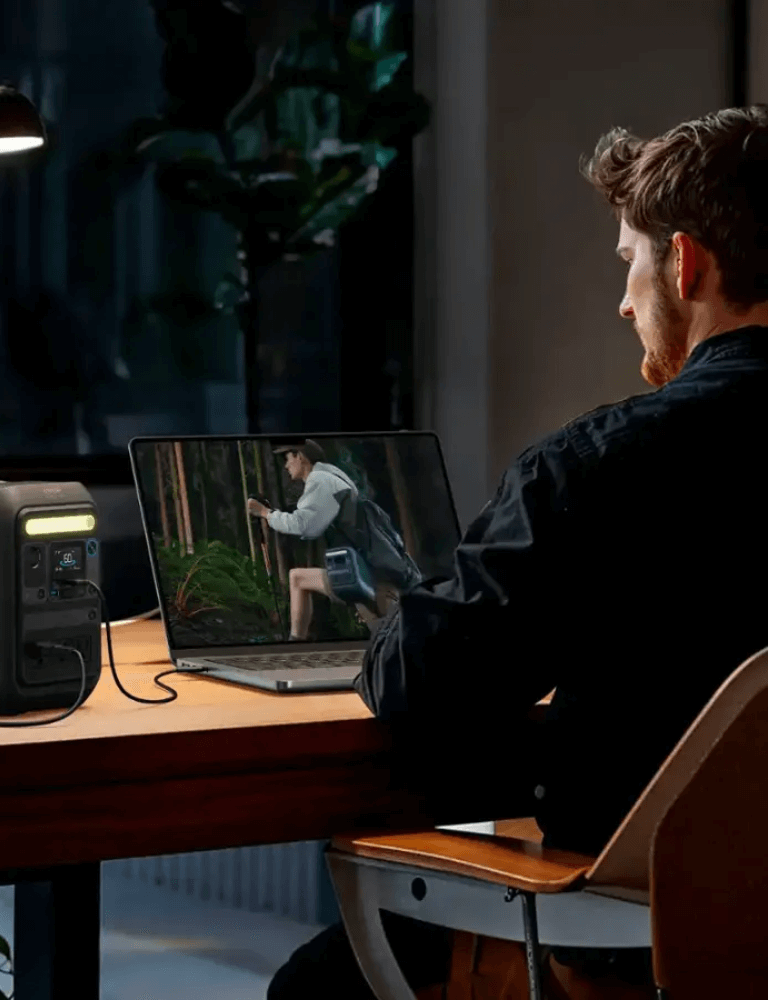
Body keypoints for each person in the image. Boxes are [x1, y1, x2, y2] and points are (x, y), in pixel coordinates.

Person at [268, 104, 768, 998]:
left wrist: (407, 605)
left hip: (639, 941)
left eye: (630, 264)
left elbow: (423, 687)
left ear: (686, 263)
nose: (623, 301)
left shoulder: (601, 468)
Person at [247, 440, 403, 639]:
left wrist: (266, 514)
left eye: (288, 458)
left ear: (300, 457)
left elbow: (304, 525)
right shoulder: (332, 476)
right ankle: (295, 643)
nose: (286, 466)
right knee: (297, 578)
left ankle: (295, 645)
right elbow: (310, 517)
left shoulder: (320, 480)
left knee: (388, 635)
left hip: (366, 576)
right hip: (361, 570)